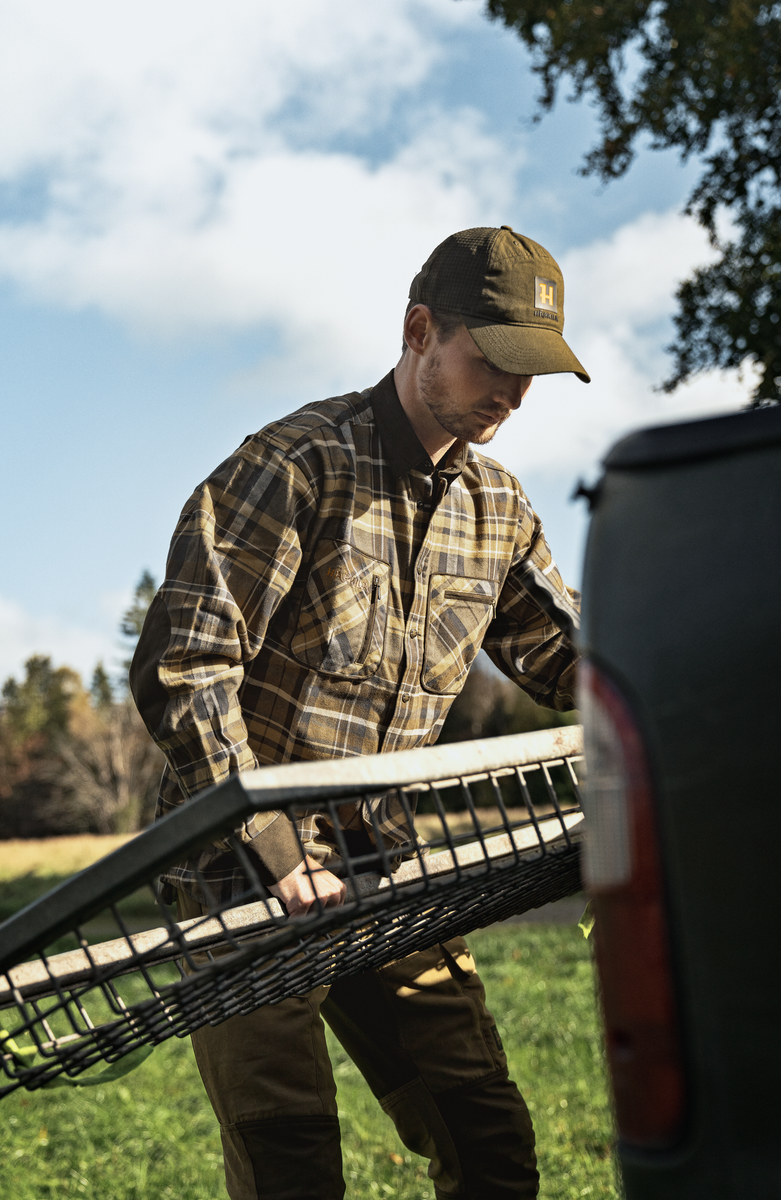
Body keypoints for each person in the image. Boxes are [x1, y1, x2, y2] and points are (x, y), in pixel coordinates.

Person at [131, 225, 589, 1200]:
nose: (511, 391)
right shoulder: (296, 467)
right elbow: (185, 663)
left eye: (532, 373)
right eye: (493, 359)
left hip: (383, 865)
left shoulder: (497, 510)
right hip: (239, 873)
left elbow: (570, 658)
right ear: (419, 328)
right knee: (291, 1161)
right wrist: (271, 843)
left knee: (486, 1140)